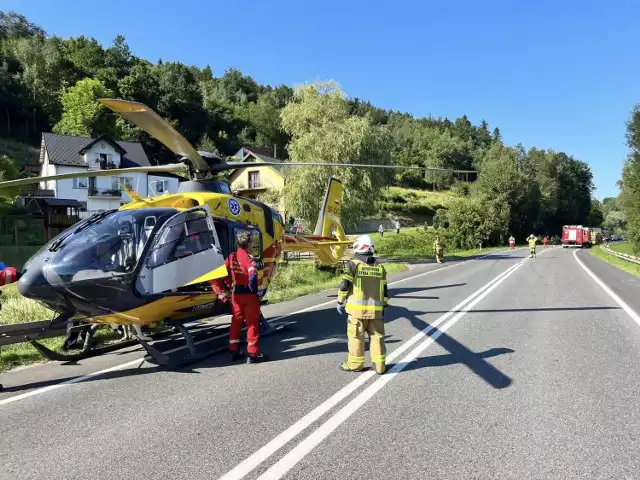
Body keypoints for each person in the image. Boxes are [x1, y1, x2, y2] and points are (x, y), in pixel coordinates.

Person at [337, 235, 388, 374]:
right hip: (376, 312)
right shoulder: (380, 267)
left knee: (356, 337)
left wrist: (340, 300)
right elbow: (385, 289)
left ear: (358, 247)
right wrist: (384, 305)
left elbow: (344, 284)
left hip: (356, 312)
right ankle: (379, 366)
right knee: (377, 337)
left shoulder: (354, 264)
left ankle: (355, 365)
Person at [214, 231, 266, 364]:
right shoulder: (248, 257)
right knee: (252, 323)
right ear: (248, 244)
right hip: (248, 295)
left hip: (236, 295)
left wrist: (224, 286)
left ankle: (233, 350)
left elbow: (219, 273)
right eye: (251, 243)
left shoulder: (232, 256)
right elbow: (252, 273)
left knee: (236, 322)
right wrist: (253, 290)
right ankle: (252, 354)